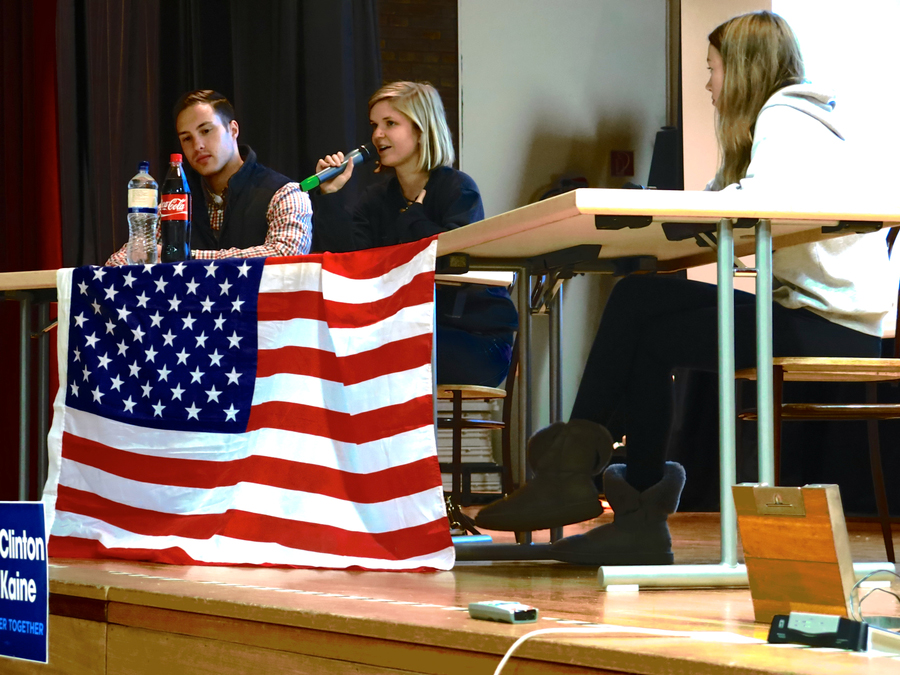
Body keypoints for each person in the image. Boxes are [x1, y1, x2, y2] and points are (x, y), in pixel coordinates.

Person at [476, 11, 893, 565]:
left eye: (713, 69)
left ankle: (577, 479)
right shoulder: (780, 124)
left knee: (638, 301)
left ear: (743, 70)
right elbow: (721, 199)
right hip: (820, 318)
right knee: (645, 320)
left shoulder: (788, 121)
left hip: (835, 328)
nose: (708, 85)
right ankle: (628, 514)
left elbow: (749, 206)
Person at [311, 81, 518, 386]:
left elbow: (450, 259)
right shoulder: (375, 200)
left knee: (373, 354)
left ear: (422, 131)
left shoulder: (458, 189)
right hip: (403, 330)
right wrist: (331, 197)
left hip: (473, 339)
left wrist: (415, 218)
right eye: (374, 125)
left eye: (390, 124)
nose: (377, 135)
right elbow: (350, 264)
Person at [107, 90, 312, 265]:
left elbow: (285, 256)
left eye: (206, 130)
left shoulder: (284, 192)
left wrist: (187, 258)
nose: (198, 146)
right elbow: (120, 261)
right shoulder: (178, 200)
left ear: (233, 130)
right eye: (187, 138)